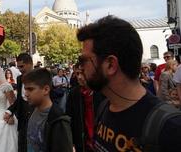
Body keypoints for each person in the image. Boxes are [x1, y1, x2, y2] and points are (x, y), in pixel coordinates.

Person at [77, 15, 181, 151]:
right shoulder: (104, 107)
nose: (80, 67)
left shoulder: (171, 129)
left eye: (84, 60)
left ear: (110, 65)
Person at [23, 68, 73, 152]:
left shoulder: (58, 120)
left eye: (30, 89)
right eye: (25, 89)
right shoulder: (33, 110)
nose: (26, 94)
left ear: (46, 90)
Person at [4, 53, 34, 152]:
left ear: (30, 64)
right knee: (21, 145)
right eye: (18, 67)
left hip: (36, 117)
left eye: (22, 66)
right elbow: (20, 99)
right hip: (22, 118)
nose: (20, 69)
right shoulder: (19, 78)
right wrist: (10, 111)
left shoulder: (40, 77)